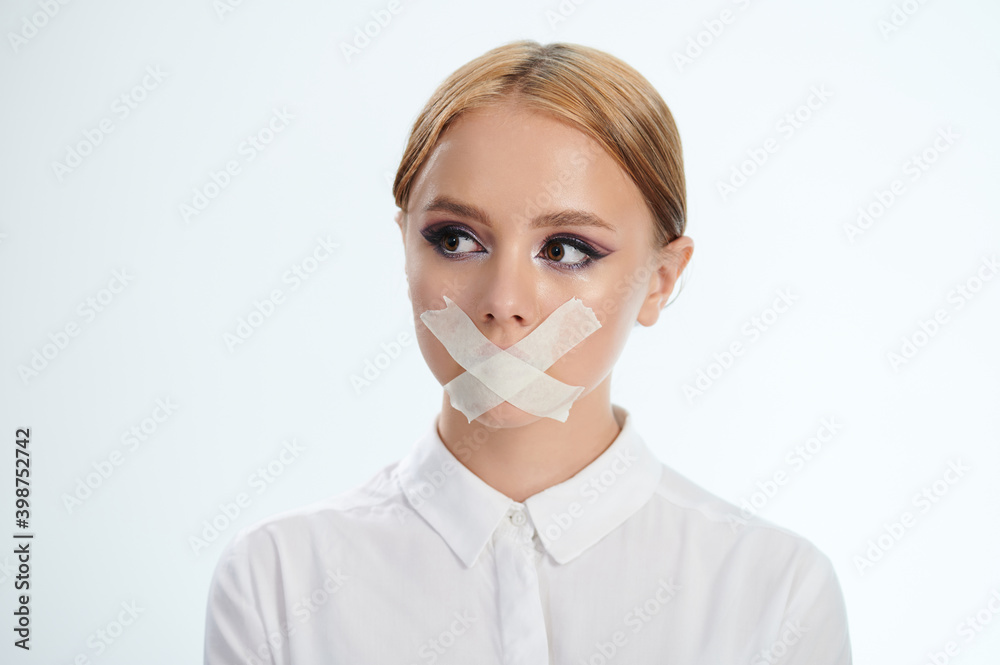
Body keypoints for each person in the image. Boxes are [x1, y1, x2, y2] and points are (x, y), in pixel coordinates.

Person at [203, 39, 852, 664]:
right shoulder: (277, 579)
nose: (503, 300)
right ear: (405, 246)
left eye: (566, 249)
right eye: (455, 239)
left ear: (661, 279)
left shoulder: (775, 592)